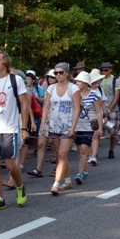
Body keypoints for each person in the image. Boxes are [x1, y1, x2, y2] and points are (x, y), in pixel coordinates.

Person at [0, 50, 29, 212]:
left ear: (6, 62)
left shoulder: (15, 80)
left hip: (10, 128)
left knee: (10, 164)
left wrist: (24, 128)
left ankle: (20, 186)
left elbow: (24, 104)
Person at [40, 62, 81, 195]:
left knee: (63, 154)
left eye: (60, 72)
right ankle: (68, 180)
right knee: (59, 155)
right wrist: (43, 124)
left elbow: (77, 108)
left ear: (67, 73)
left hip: (67, 126)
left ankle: (56, 184)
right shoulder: (51, 88)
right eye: (55, 73)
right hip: (53, 125)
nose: (58, 75)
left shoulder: (73, 88)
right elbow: (46, 107)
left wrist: (73, 127)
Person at [73, 71, 103, 184]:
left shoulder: (94, 95)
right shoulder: (74, 94)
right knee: (79, 149)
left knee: (84, 149)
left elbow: (99, 112)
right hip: (77, 126)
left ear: (86, 83)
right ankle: (84, 170)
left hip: (89, 127)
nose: (76, 83)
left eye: (79, 81)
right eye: (76, 81)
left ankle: (80, 173)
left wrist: (100, 128)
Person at [26, 69, 57, 178]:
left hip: (58, 119)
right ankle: (38, 169)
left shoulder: (66, 88)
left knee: (55, 144)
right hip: (47, 117)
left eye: (53, 77)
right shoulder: (48, 88)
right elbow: (45, 104)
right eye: (49, 77)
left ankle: (59, 167)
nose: (51, 79)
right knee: (40, 143)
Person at [99, 62, 120, 159]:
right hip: (100, 109)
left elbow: (116, 96)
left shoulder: (115, 80)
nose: (103, 72)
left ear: (110, 70)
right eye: (102, 70)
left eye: (106, 70)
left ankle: (111, 150)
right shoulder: (99, 80)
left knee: (113, 131)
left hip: (112, 109)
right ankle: (94, 153)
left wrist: (109, 108)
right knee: (97, 130)